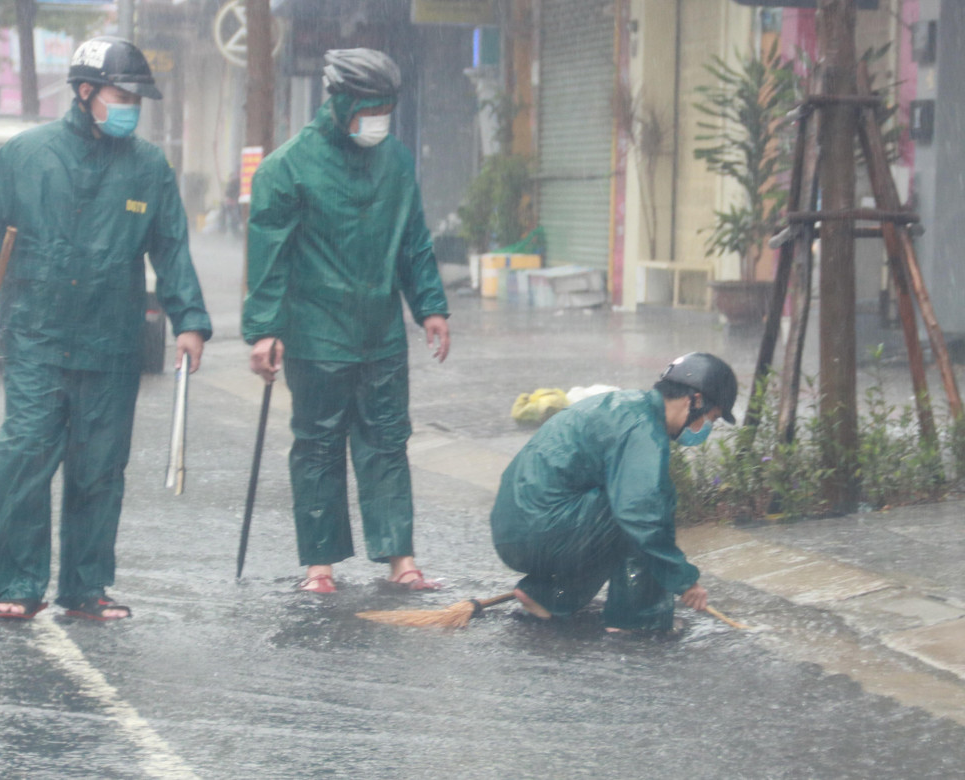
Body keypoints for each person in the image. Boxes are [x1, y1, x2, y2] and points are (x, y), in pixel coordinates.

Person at [0, 36, 211, 620]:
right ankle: (17, 585)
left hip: (111, 345)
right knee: (23, 462)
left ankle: (85, 588)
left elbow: (171, 247)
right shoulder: (25, 156)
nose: (131, 107)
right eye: (122, 95)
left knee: (99, 471)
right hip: (36, 341)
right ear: (86, 92)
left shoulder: (149, 168)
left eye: (137, 99)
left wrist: (189, 321)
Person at [243, 49, 451, 593]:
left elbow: (414, 242)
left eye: (386, 108)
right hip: (315, 335)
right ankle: (320, 565)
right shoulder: (287, 168)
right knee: (317, 446)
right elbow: (268, 260)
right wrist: (263, 330)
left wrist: (430, 307)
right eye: (368, 108)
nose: (377, 119)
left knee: (388, 442)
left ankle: (400, 559)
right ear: (338, 103)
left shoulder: (397, 162)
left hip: (380, 334)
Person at [489, 353, 736, 633]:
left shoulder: (629, 408)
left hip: (518, 529)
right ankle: (637, 619)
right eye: (712, 418)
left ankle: (547, 595)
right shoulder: (643, 429)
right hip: (537, 532)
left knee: (626, 506)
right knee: (644, 511)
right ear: (696, 400)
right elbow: (641, 515)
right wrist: (684, 580)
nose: (707, 429)